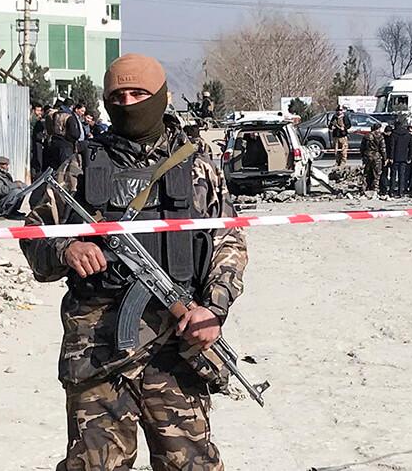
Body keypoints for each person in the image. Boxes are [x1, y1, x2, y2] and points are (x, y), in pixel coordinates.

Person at [20, 53, 248, 470]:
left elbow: (229, 243)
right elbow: (34, 233)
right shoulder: (79, 168)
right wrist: (66, 248)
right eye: (118, 96)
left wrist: (213, 310)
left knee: (191, 465)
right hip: (97, 351)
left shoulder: (198, 169)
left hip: (177, 347)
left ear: (161, 97)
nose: (128, 103)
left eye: (139, 93)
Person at [389, 117, 412, 198]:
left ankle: (392, 191)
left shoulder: (393, 134)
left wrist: (391, 157)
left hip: (395, 157)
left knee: (393, 175)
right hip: (404, 157)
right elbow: (411, 147)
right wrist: (409, 157)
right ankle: (401, 191)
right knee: (402, 175)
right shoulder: (408, 135)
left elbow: (392, 147)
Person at [360, 122, 386, 197]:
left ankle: (364, 188)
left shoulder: (366, 136)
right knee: (377, 174)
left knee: (366, 173)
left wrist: (363, 156)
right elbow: (383, 149)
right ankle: (375, 189)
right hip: (376, 157)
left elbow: (362, 147)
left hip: (367, 156)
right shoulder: (380, 136)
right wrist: (384, 158)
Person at [379, 125, 394, 197]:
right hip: (389, 158)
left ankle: (383, 190)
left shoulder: (382, 137)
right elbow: (391, 148)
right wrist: (390, 157)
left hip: (384, 157)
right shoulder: (392, 137)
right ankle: (389, 190)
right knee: (390, 174)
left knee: (384, 174)